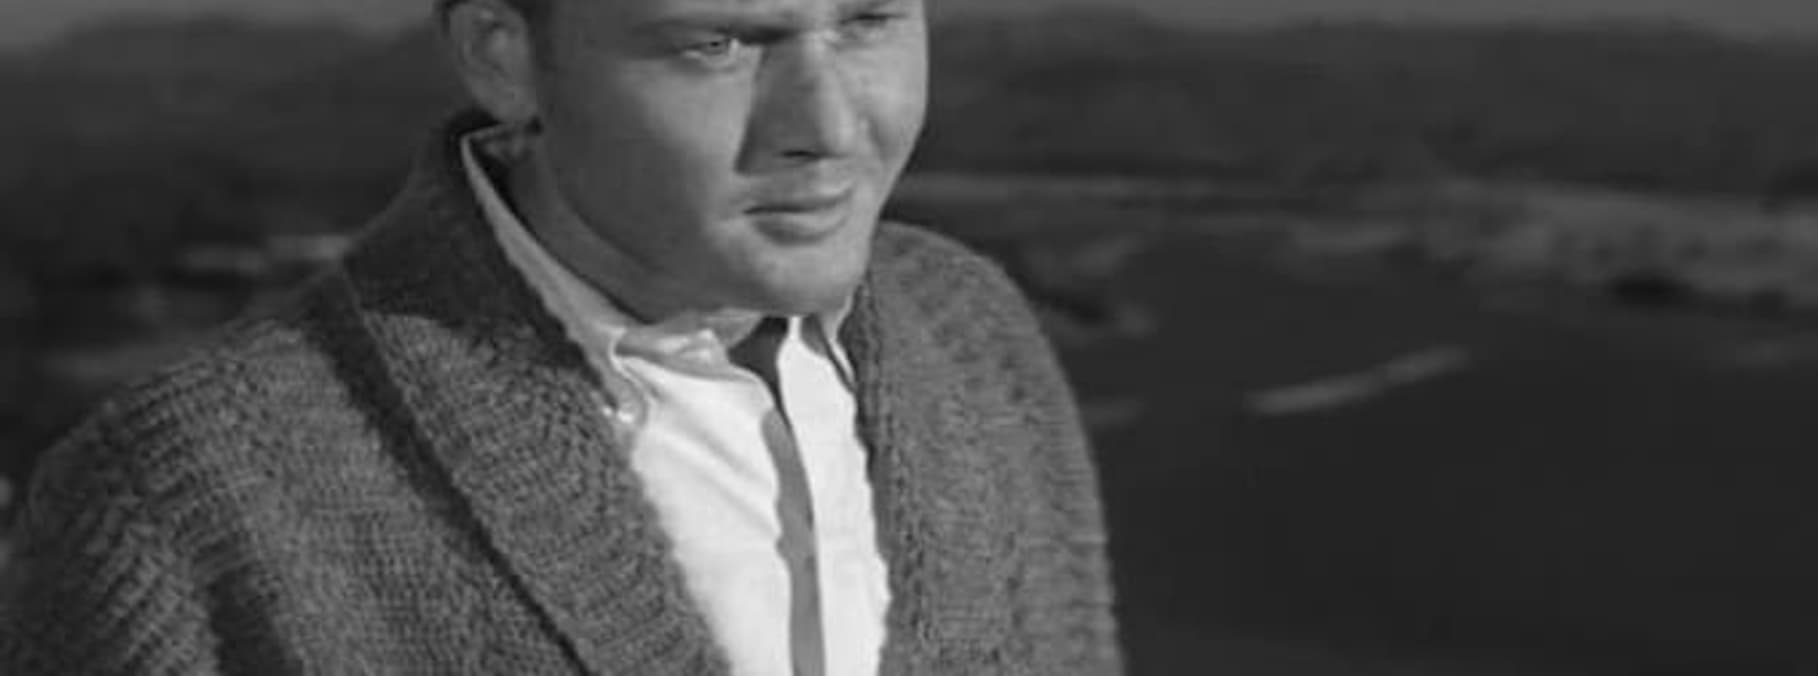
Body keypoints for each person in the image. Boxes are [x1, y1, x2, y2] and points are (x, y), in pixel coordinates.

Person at [0, 0, 1122, 673]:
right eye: (718, 43)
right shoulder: (189, 498)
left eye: (870, 19)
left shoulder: (971, 333)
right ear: (504, 55)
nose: (829, 126)